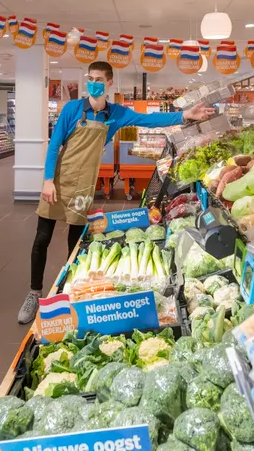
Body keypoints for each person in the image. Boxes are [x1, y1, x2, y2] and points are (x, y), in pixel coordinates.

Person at [17, 61, 215, 323]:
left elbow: (149, 120)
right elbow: (54, 146)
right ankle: (34, 293)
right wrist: (47, 180)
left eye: (99, 78)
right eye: (91, 77)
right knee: (42, 238)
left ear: (109, 83)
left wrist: (183, 116)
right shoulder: (72, 109)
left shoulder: (116, 114)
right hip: (60, 180)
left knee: (75, 243)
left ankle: (69, 290)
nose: (94, 82)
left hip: (84, 186)